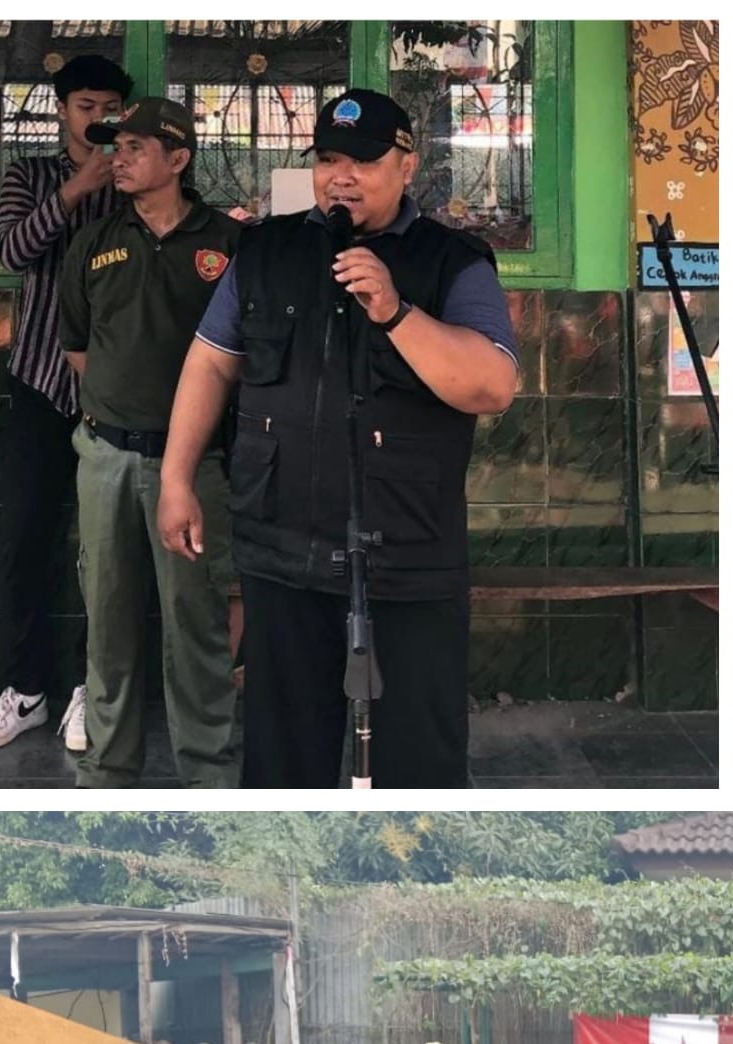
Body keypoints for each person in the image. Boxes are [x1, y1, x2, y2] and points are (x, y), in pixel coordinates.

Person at [158, 88, 520, 789]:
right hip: (281, 548)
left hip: (406, 558)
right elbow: (209, 361)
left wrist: (395, 310)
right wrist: (176, 480)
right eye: (327, 159)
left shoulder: (454, 262)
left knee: (419, 763)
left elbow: (492, 385)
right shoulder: (266, 251)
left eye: (364, 159)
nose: (342, 175)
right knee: (281, 757)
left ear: (407, 164)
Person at [56, 97, 242, 788]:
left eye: (136, 147)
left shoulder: (226, 244)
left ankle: (208, 770)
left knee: (195, 623)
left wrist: (185, 455)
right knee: (108, 622)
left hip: (193, 467)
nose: (120, 158)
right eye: (117, 146)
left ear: (179, 160)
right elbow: (78, 349)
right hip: (105, 456)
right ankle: (109, 766)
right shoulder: (93, 243)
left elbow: (242, 358)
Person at [0, 53, 130, 757]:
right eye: (84, 105)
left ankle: (93, 690)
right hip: (37, 380)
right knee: (26, 539)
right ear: (63, 110)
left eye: (107, 107)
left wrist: (109, 182)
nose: (97, 119)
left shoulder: (132, 176)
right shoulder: (27, 176)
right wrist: (72, 191)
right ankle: (25, 690)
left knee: (108, 549)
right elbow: (12, 252)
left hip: (118, 386)